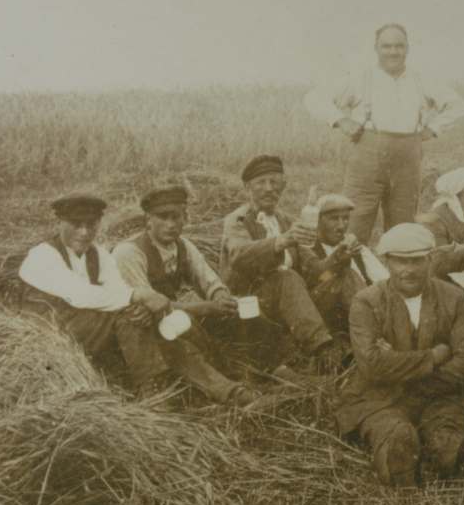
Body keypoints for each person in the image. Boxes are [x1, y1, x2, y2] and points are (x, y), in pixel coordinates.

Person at [19, 193, 263, 407]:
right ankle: (155, 395)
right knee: (133, 318)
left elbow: (116, 289)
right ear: (58, 222)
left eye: (90, 224)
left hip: (92, 331)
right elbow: (80, 294)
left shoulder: (99, 255)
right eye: (75, 223)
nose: (84, 232)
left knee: (151, 328)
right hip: (50, 336)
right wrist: (139, 296)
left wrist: (139, 305)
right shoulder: (42, 255)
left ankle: (231, 393)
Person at [336, 224, 464, 488]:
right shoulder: (366, 301)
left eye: (417, 260)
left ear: (429, 260)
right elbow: (372, 365)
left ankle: (461, 466)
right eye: (400, 262)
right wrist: (433, 356)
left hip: (440, 393)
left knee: (446, 427)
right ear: (387, 262)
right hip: (381, 398)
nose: (409, 269)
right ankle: (397, 471)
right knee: (390, 431)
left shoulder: (453, 297)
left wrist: (404, 371)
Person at [304, 24, 464, 245]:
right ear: (376, 48)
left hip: (408, 162)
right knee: (353, 223)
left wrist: (432, 128)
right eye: (387, 46)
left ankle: (395, 277)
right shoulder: (360, 77)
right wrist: (341, 121)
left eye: (399, 46)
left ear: (407, 48)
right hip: (367, 159)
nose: (393, 51)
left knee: (403, 228)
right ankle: (348, 275)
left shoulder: (421, 79)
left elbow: (458, 105)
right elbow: (314, 97)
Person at [220, 155, 335, 376]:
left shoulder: (288, 221)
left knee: (343, 275)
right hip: (249, 303)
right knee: (287, 277)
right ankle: (323, 349)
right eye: (261, 183)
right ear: (247, 187)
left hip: (287, 303)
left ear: (284, 186)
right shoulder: (237, 220)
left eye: (274, 182)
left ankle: (371, 334)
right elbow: (239, 255)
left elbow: (313, 270)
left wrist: (338, 258)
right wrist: (281, 241)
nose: (269, 188)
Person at [113, 185, 238, 322]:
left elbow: (209, 282)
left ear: (184, 218)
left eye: (176, 216)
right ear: (148, 219)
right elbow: (150, 305)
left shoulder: (183, 245)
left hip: (166, 317)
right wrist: (208, 307)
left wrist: (221, 297)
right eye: (162, 217)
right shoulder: (129, 252)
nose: (170, 224)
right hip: (133, 322)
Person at [299, 193, 389, 341]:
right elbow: (317, 280)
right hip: (324, 311)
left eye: (345, 219)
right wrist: (339, 263)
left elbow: (384, 280)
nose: (341, 226)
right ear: (317, 221)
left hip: (362, 308)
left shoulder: (354, 247)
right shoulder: (307, 247)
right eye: (333, 219)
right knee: (347, 274)